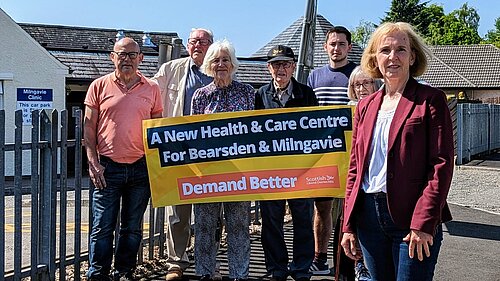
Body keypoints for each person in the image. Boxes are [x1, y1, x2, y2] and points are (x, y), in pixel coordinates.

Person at [341, 22, 454, 281]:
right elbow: (355, 169)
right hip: (368, 218)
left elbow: (441, 165)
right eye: (385, 50)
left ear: (412, 56)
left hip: (412, 217)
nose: (393, 57)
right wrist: (348, 226)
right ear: (374, 58)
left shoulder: (431, 100)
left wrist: (424, 223)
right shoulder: (365, 106)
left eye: (401, 49)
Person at [84, 37, 163, 280]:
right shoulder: (98, 86)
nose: (126, 59)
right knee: (102, 227)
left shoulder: (152, 88)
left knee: (132, 228)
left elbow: (156, 129)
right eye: (122, 54)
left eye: (131, 54)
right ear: (112, 57)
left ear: (141, 58)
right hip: (107, 167)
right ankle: (97, 274)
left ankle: (124, 272)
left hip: (140, 168)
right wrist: (93, 162)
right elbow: (89, 128)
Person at [152, 28, 214, 281]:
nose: (197, 45)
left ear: (211, 44)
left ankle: (208, 260)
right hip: (178, 148)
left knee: (210, 208)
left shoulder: (220, 68)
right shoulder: (170, 69)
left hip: (212, 150)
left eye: (202, 41)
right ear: (187, 45)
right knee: (177, 208)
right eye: (193, 41)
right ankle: (176, 260)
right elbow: (150, 95)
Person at [191, 39, 255, 281]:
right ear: (209, 65)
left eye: (225, 59)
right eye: (216, 60)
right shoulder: (200, 96)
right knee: (205, 225)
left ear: (233, 64)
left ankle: (240, 274)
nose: (221, 64)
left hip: (239, 174)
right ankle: (205, 272)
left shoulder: (247, 92)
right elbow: (192, 134)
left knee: (238, 226)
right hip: (208, 174)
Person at [255, 45, 318, 281]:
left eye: (285, 64)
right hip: (270, 171)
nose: (280, 69)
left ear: (293, 66)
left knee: (303, 218)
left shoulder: (306, 93)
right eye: (275, 64)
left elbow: (316, 130)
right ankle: (277, 268)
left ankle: (301, 268)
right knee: (271, 220)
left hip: (300, 169)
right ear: (268, 68)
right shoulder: (260, 95)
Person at [306, 26, 357, 278]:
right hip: (324, 155)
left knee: (352, 210)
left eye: (341, 44)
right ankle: (320, 257)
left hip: (353, 155)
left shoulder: (359, 75)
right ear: (325, 47)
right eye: (332, 44)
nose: (336, 48)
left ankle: (351, 262)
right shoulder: (314, 77)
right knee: (322, 209)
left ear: (349, 46)